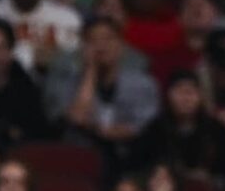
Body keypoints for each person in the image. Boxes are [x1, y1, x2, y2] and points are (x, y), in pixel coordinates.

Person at [46, 16, 160, 166]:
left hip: (132, 157)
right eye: (93, 40)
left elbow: (143, 127)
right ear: (83, 48)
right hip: (83, 158)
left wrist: (100, 130)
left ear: (121, 46)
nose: (101, 46)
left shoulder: (142, 84)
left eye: (108, 39)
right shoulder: (68, 82)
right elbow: (78, 118)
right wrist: (90, 71)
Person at [132, 71, 225, 184]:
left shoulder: (216, 130)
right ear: (168, 96)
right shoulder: (154, 131)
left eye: (191, 92)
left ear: (201, 96)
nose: (185, 98)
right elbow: (137, 168)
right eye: (180, 92)